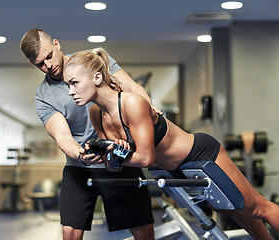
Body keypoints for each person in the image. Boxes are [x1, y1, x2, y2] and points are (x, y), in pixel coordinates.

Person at [63, 47, 279, 240]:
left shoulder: (132, 103)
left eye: (74, 83)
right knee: (233, 210)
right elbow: (113, 167)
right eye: (67, 85)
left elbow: (147, 158)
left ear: (97, 77)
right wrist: (109, 156)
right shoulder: (96, 114)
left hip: (199, 154)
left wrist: (119, 154)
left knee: (258, 208)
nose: (71, 91)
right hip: (175, 170)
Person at [20, 29, 157, 240]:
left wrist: (150, 111)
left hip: (119, 158)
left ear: (56, 44)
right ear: (33, 64)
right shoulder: (43, 97)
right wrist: (80, 154)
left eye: (49, 56)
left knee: (143, 230)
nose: (48, 65)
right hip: (80, 168)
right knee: (70, 232)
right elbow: (63, 137)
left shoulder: (93, 61)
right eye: (40, 63)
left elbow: (132, 88)